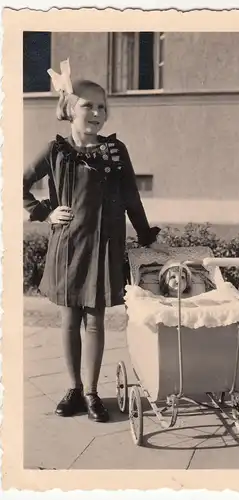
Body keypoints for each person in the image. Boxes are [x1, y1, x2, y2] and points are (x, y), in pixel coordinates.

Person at [23, 60, 168, 423]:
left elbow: (132, 196)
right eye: (89, 105)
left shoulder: (116, 152)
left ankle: (91, 393)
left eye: (102, 106)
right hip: (68, 248)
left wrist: (145, 233)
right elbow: (16, 182)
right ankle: (72, 389)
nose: (98, 113)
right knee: (69, 320)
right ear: (71, 109)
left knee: (94, 321)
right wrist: (45, 212)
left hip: (104, 246)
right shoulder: (57, 151)